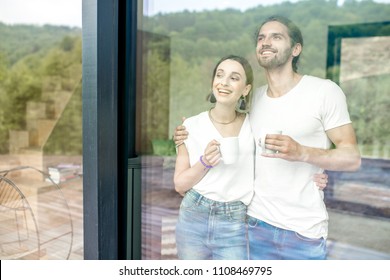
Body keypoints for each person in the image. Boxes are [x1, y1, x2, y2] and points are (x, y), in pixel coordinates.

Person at [173, 15, 359, 260]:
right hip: (254, 226)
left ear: (296, 48)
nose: (266, 42)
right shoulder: (254, 101)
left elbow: (352, 157)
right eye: (261, 37)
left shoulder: (324, 92)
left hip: (302, 232)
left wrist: (304, 154)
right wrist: (186, 134)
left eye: (276, 36)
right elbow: (223, 121)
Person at [174, 55, 254, 260]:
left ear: (245, 89)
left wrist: (315, 175)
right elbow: (180, 185)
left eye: (234, 78)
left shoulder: (254, 126)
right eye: (220, 75)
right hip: (194, 214)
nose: (224, 82)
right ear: (213, 82)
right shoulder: (190, 126)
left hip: (235, 220)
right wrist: (204, 163)